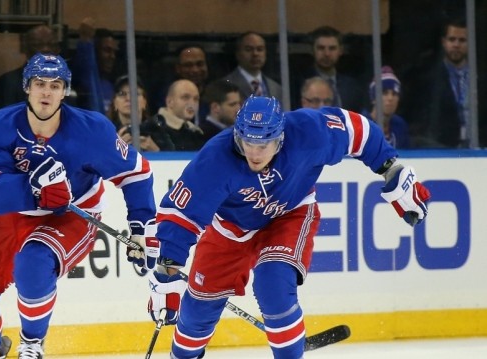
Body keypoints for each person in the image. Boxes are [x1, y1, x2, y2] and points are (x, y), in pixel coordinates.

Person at [133, 96, 431, 359]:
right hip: (229, 228)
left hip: (289, 214)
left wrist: (391, 168)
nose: (254, 153)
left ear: (281, 138)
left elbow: (357, 131)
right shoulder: (215, 159)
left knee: (273, 286)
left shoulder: (309, 132)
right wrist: (166, 272)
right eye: (247, 142)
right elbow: (180, 216)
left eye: (263, 144)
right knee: (196, 312)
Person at [0, 53, 158, 359]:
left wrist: (141, 228)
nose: (46, 92)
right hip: (13, 215)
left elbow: (137, 174)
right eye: (39, 83)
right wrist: (35, 189)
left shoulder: (92, 130)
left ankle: (32, 343)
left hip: (70, 218)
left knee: (33, 263)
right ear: (26, 87)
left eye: (55, 84)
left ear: (66, 90)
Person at [400, 18, 469, 148]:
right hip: (442, 149)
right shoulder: (428, 78)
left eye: (462, 40)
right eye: (452, 39)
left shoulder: (478, 78)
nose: (456, 44)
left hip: (478, 148)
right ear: (444, 42)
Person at [293, 26, 364, 112]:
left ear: (340, 51)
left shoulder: (352, 86)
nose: (327, 53)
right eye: (321, 48)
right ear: (312, 50)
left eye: (332, 48)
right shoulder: (299, 84)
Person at [0, 24, 60, 110]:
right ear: (24, 47)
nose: (45, 49)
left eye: (51, 44)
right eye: (38, 44)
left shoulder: (66, 82)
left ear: (58, 49)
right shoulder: (7, 83)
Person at [107, 75, 174, 151]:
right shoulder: (106, 133)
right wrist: (116, 149)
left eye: (135, 94)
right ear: (115, 103)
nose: (128, 98)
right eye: (122, 94)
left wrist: (155, 151)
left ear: (144, 102)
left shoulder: (157, 132)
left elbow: (174, 160)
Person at [150, 44, 211, 121]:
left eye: (200, 64)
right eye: (188, 65)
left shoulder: (215, 92)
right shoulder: (165, 94)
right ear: (178, 68)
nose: (195, 70)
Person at [71, 17, 120, 113]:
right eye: (107, 50)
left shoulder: (111, 87)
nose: (112, 56)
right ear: (94, 51)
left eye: (114, 52)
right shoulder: (80, 82)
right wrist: (85, 42)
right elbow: (85, 71)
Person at [221, 31, 282, 101]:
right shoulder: (225, 85)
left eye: (260, 49)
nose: (255, 54)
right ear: (238, 54)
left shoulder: (276, 88)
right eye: (248, 49)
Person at [152, 79, 205, 151]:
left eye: (196, 99)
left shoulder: (196, 132)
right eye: (185, 97)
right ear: (170, 102)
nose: (192, 103)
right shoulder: (153, 129)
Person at [363, 67, 410, 149]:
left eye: (394, 94)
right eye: (385, 93)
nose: (390, 98)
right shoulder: (362, 126)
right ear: (373, 99)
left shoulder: (400, 125)